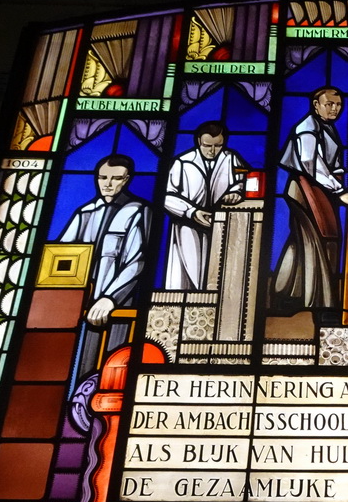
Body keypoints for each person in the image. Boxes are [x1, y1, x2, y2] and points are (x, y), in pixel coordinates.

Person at [272, 87, 348, 314]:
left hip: (318, 190)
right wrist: (342, 192)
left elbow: (327, 163)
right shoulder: (307, 128)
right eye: (329, 104)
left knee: (304, 243)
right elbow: (309, 163)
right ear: (316, 105)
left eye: (338, 105)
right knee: (314, 243)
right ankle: (318, 305)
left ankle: (286, 295)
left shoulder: (325, 127)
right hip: (306, 191)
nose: (335, 109)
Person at [59, 154, 151, 378]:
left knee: (110, 365)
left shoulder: (137, 210)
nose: (107, 184)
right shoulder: (85, 212)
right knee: (74, 363)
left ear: (126, 179)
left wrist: (110, 298)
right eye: (102, 178)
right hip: (79, 303)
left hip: (119, 306)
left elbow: (136, 261)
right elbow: (61, 255)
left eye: (115, 178)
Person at [164, 121, 247, 290]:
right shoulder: (182, 162)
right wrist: (192, 212)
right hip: (187, 226)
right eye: (207, 145)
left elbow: (242, 182)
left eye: (218, 146)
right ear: (198, 141)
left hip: (221, 224)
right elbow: (167, 195)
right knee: (187, 273)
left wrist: (236, 193)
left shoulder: (231, 159)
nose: (212, 151)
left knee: (218, 273)